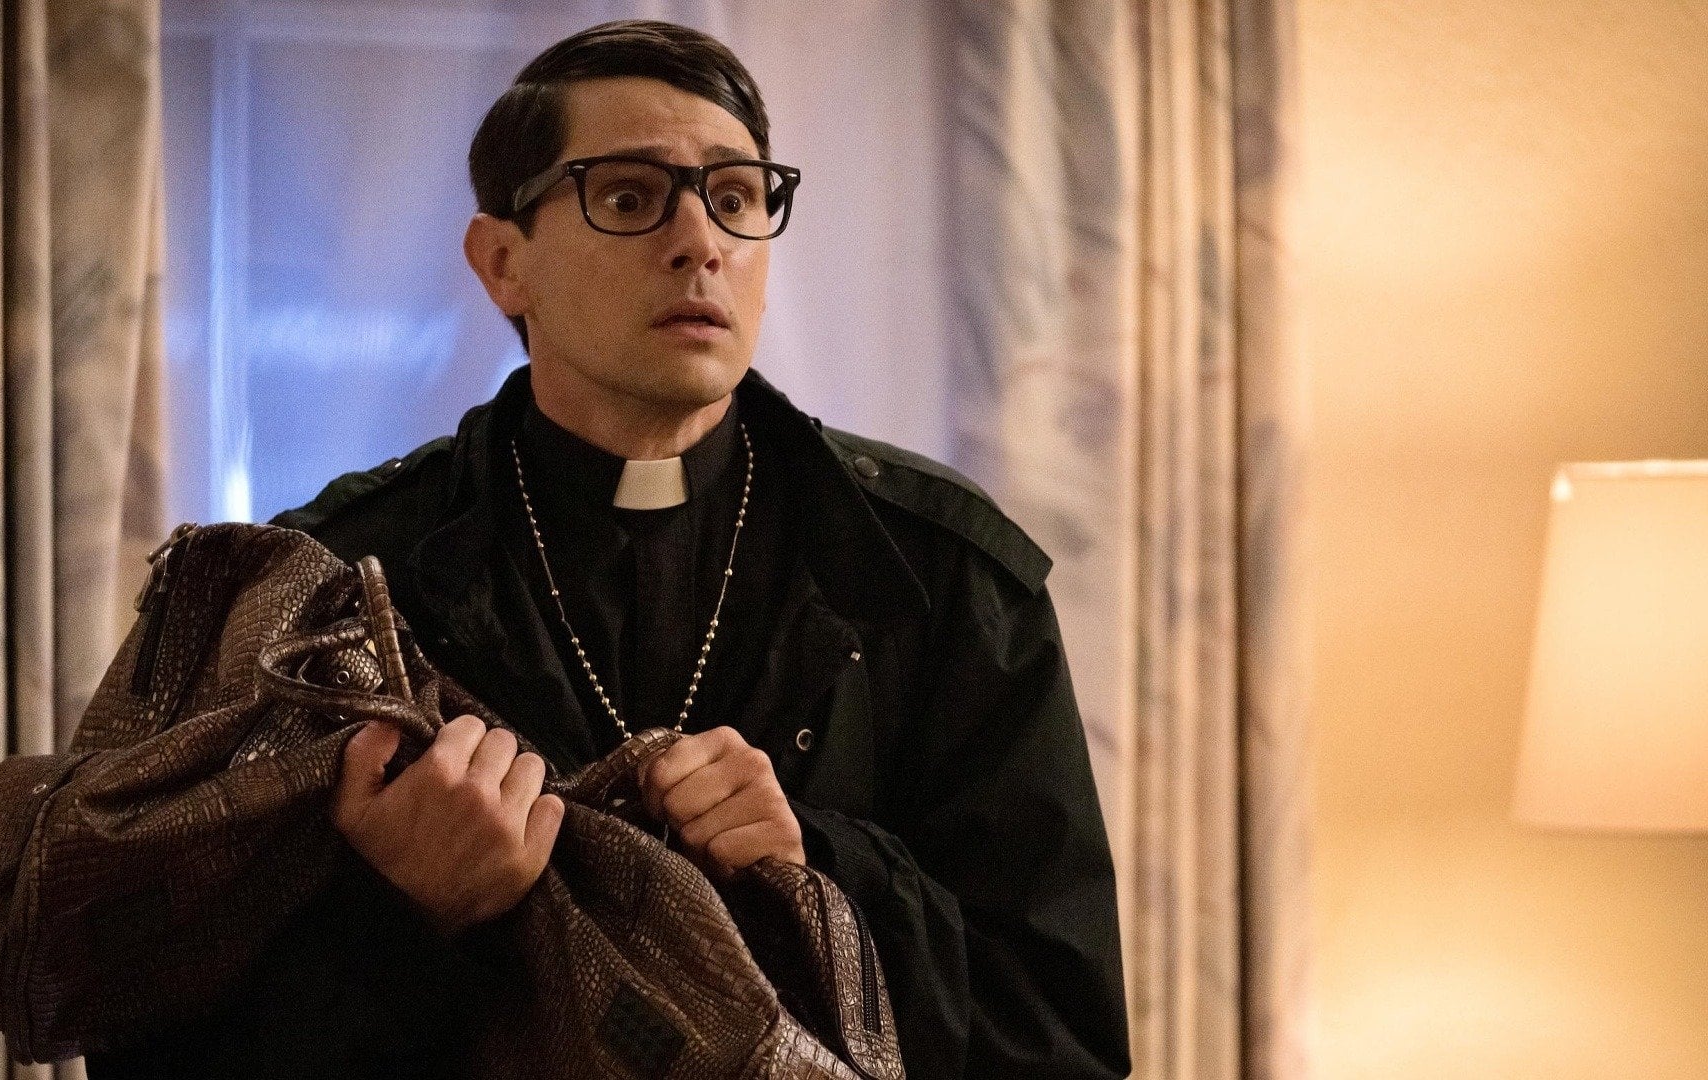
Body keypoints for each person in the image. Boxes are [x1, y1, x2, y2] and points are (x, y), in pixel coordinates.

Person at [83, 19, 1129, 1080]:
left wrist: (817, 865)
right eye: (629, 198)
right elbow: (148, 1046)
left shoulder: (944, 578)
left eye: (736, 198)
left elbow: (1060, 1035)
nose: (700, 242)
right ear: (504, 264)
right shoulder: (326, 590)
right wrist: (407, 919)